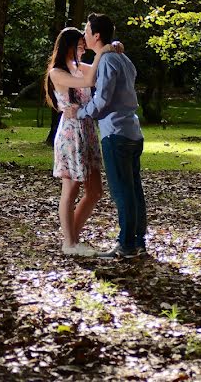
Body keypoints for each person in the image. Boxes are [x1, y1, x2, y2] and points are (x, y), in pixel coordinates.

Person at [64, 13, 146, 259]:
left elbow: (102, 101)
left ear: (96, 35)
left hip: (116, 134)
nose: (84, 35)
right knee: (133, 190)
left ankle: (126, 245)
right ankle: (137, 241)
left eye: (87, 30)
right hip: (132, 131)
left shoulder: (109, 61)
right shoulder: (122, 58)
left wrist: (80, 112)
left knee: (123, 192)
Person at [44, 27, 113, 256]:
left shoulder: (78, 67)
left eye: (85, 45)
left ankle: (71, 239)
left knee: (94, 191)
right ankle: (70, 242)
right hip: (70, 134)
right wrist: (104, 51)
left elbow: (97, 71)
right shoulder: (57, 72)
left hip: (87, 130)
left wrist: (113, 48)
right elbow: (90, 80)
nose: (84, 49)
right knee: (70, 188)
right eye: (81, 45)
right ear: (70, 46)